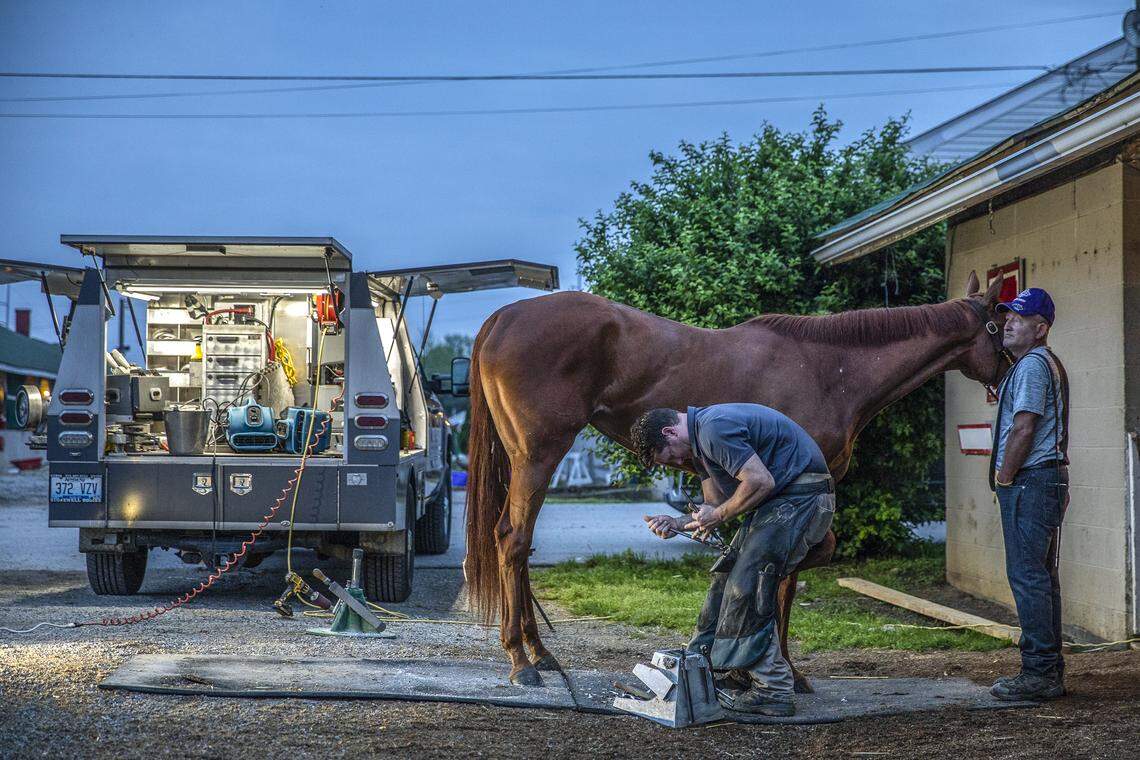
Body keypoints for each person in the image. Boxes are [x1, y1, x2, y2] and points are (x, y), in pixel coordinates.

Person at [632, 403, 834, 717]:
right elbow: (716, 505)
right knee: (725, 577)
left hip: (802, 498)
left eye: (670, 456)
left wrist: (718, 515)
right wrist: (677, 522)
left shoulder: (713, 428)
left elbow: (760, 482)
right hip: (780, 503)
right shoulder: (699, 446)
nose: (677, 462)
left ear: (669, 432)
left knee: (748, 584)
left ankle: (774, 691)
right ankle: (732, 669)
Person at [988, 287, 1070, 702]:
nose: (1009, 321)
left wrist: (1004, 477)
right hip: (1044, 481)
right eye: (1007, 315)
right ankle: (1048, 670)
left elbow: (1024, 427)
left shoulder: (1035, 365)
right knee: (1041, 578)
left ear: (1041, 328)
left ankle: (1038, 674)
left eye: (1020, 317)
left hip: (1031, 482)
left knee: (1028, 577)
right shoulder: (1032, 364)